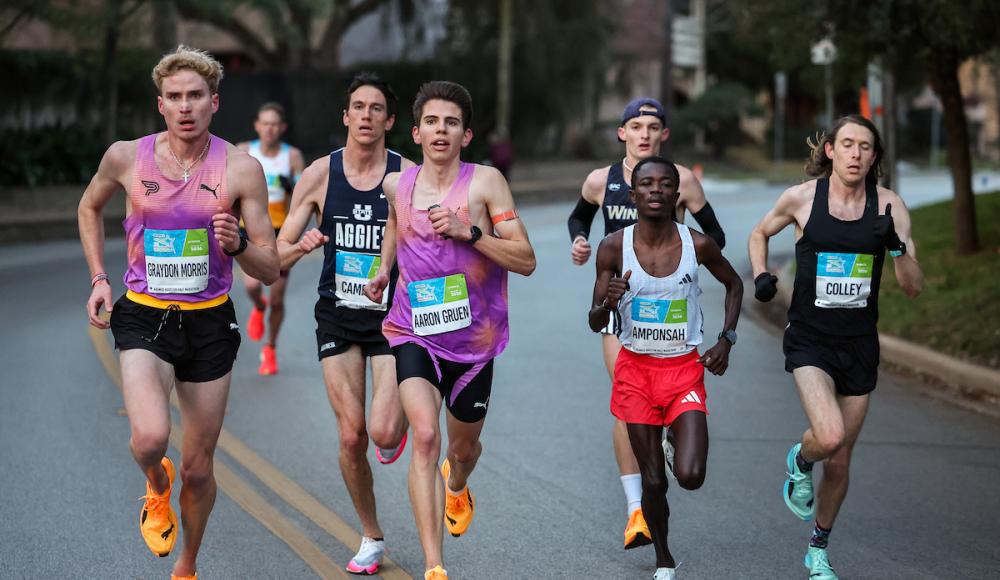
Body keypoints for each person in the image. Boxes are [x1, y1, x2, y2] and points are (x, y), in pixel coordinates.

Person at [78, 45, 279, 580]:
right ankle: (155, 485)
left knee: (198, 468)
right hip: (144, 314)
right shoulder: (126, 157)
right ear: (160, 105)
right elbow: (89, 206)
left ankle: (187, 565)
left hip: (210, 322)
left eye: (195, 96)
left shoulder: (241, 169)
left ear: (214, 102)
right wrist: (100, 277)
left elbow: (270, 267)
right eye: (174, 97)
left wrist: (238, 246)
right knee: (148, 439)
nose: (185, 106)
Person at [364, 81, 536, 580]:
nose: (442, 130)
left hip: (475, 341)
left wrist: (471, 233)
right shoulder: (397, 184)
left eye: (452, 123)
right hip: (412, 329)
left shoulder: (486, 184)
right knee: (423, 436)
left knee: (460, 450)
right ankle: (434, 565)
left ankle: (457, 484)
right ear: (416, 132)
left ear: (466, 134)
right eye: (433, 122)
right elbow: (396, 225)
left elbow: (525, 259)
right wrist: (382, 268)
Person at [748, 115, 923, 580]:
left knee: (841, 462)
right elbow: (759, 232)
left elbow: (913, 287)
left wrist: (898, 249)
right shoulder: (803, 199)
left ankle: (818, 550)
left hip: (860, 345)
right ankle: (799, 459)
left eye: (865, 147)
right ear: (830, 150)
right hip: (810, 339)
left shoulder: (889, 207)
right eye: (847, 144)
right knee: (829, 437)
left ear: (874, 156)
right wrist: (763, 274)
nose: (855, 154)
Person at [567, 97, 727, 549]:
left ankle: (675, 430)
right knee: (626, 398)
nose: (644, 134)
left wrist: (684, 259)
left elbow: (716, 237)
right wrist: (580, 239)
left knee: (662, 401)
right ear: (622, 133)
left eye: (653, 127)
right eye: (635, 126)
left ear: (664, 135)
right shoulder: (601, 180)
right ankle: (636, 508)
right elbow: (579, 216)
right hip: (620, 308)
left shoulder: (683, 181)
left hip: (671, 316)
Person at [276, 72, 412, 575]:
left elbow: (433, 247)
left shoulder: (407, 175)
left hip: (395, 318)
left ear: (390, 121)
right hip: (337, 315)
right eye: (358, 106)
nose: (367, 116)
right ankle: (372, 536)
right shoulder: (318, 175)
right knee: (352, 435)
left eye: (377, 108)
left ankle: (392, 431)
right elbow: (279, 252)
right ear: (346, 116)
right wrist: (299, 246)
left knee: (381, 431)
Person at [589, 156, 742, 580]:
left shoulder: (699, 244)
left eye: (665, 184)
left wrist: (726, 339)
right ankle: (664, 558)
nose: (656, 189)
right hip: (635, 372)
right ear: (633, 194)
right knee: (653, 482)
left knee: (691, 477)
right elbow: (594, 321)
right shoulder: (613, 247)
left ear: (677, 195)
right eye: (646, 184)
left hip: (683, 370)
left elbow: (734, 284)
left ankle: (676, 437)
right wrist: (609, 301)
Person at [237, 102, 305, 375]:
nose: (269, 128)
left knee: (277, 299)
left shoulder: (292, 156)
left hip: (280, 232)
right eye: (265, 123)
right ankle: (257, 306)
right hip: (250, 229)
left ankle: (271, 348)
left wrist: (294, 185)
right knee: (252, 286)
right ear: (257, 126)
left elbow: (302, 195)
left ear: (282, 128)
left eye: (274, 124)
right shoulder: (244, 151)